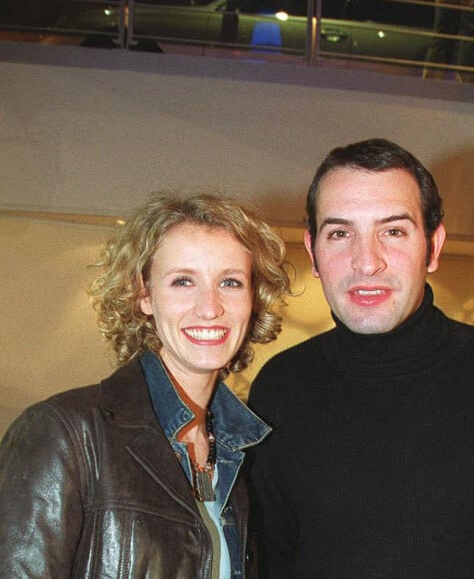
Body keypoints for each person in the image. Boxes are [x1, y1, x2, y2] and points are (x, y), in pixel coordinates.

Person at [247, 138, 474, 579]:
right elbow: (267, 561)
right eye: (341, 233)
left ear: (433, 246)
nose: (366, 262)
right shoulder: (281, 388)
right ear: (313, 253)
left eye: (393, 231)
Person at [0, 191, 291, 578]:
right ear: (144, 295)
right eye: (183, 281)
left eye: (231, 282)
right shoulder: (67, 433)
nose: (210, 307)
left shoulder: (237, 454)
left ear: (253, 298)